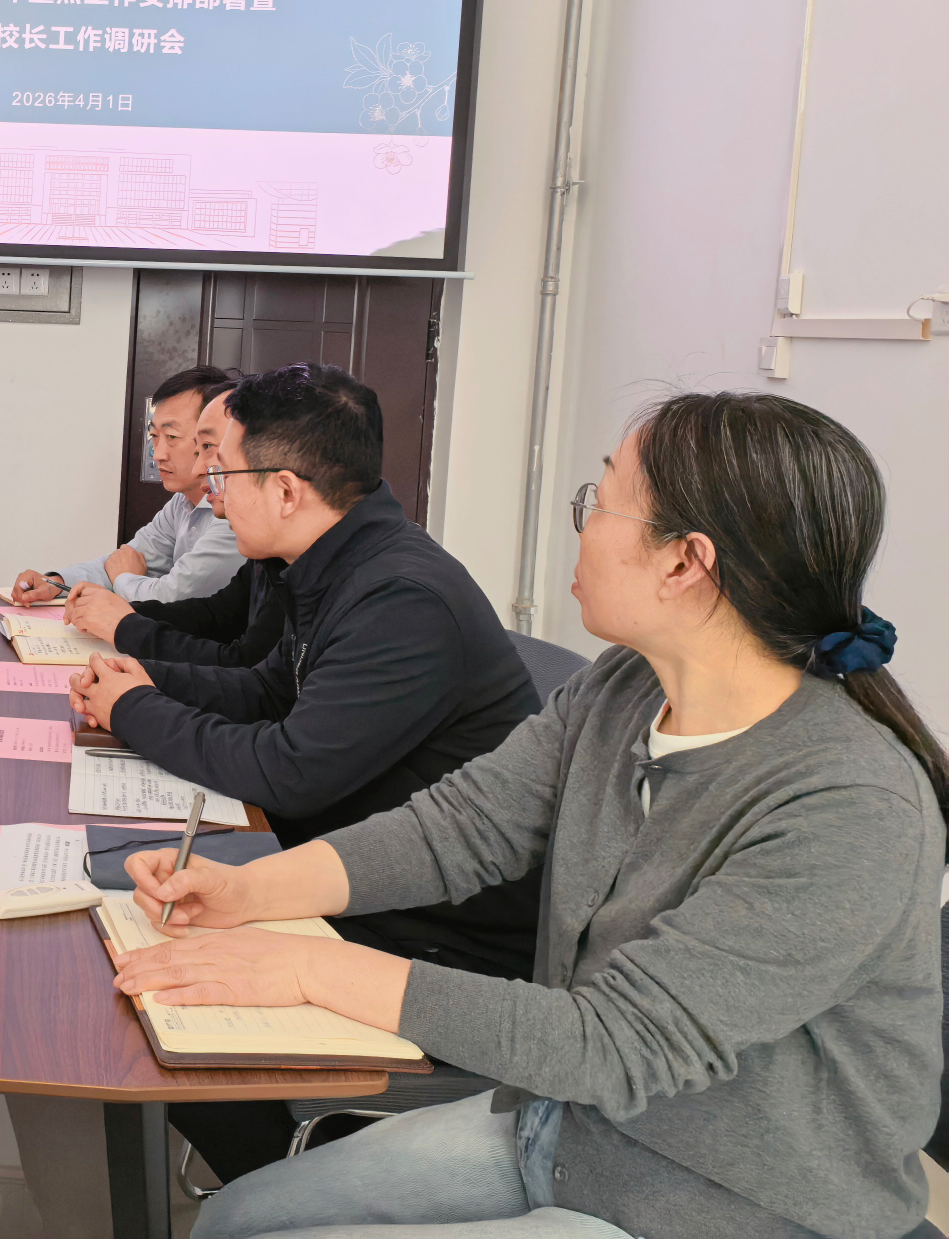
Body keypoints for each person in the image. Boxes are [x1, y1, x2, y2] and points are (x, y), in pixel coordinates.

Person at [113, 391, 947, 1239]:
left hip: (722, 1203)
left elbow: (611, 1041)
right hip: (571, 1128)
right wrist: (251, 889)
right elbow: (460, 826)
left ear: (683, 562)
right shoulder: (625, 686)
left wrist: (306, 968)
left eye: (599, 501)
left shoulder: (849, 806)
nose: (579, 527)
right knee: (236, 1218)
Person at [70, 362, 542, 1181]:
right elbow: (267, 690)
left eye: (225, 472)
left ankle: (293, 1181)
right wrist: (142, 685)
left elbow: (289, 771)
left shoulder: (402, 597)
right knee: (113, 930)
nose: (214, 494)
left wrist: (136, 708)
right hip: (351, 872)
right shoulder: (330, 561)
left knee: (130, 993)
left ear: (286, 489)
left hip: (432, 930)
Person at [64, 380, 289, 669]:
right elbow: (213, 613)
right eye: (154, 437)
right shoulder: (263, 556)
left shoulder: (250, 530)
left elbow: (245, 669)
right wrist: (62, 584)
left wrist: (122, 611)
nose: (200, 469)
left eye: (208, 447)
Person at [8, 364, 244, 607]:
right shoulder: (181, 503)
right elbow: (125, 559)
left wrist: (123, 578)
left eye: (172, 437)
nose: (158, 454)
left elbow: (171, 595)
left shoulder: (233, 513)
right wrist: (56, 582)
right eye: (154, 437)